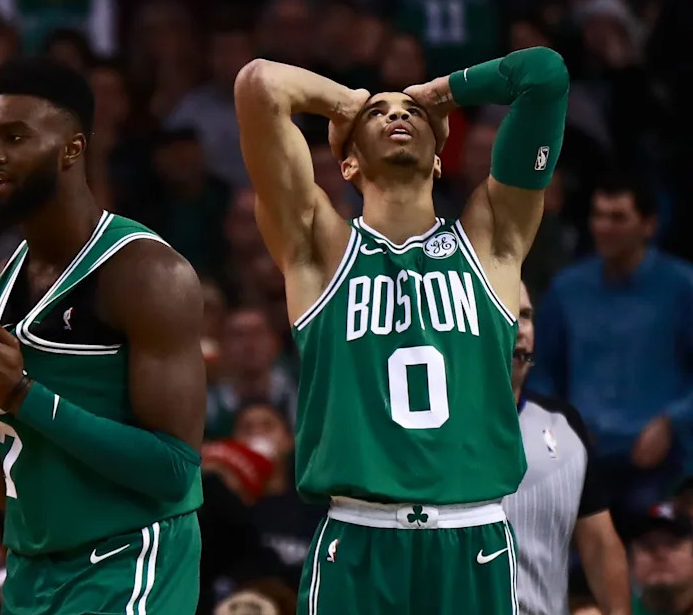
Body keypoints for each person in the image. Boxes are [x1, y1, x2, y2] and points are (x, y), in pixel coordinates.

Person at [234, 45, 569, 613]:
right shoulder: (319, 248)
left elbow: (544, 75)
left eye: (409, 113)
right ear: (347, 164)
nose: (397, 115)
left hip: (474, 536)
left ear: (440, 160)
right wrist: (349, 102)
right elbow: (259, 85)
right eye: (380, 115)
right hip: (359, 536)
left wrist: (437, 94)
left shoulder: (491, 242)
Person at [0, 57, 206, 614]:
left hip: (132, 558)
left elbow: (174, 471)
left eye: (14, 137)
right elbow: (3, 495)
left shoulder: (145, 273)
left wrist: (20, 395)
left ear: (72, 149)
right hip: (31, 568)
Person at [526, 180, 693, 512]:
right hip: (583, 454)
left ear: (649, 225)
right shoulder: (567, 289)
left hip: (662, 459)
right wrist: (562, 423)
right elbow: (542, 371)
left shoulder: (682, 286)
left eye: (618, 217)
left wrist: (672, 421)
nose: (604, 227)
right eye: (598, 216)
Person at [502, 282, 630, 615]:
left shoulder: (565, 424)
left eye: (526, 316)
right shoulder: (431, 430)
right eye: (505, 314)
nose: (519, 330)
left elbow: (600, 545)